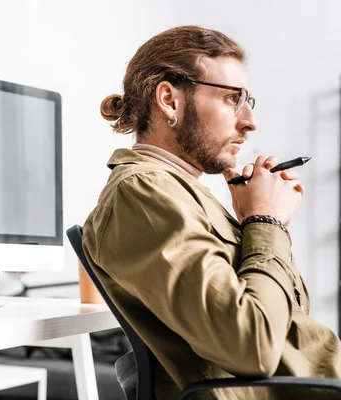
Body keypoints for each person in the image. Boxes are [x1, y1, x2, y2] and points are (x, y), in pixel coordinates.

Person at [82, 26, 341, 400]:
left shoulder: (187, 194)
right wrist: (264, 221)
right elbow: (252, 347)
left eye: (248, 101)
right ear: (169, 100)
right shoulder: (143, 191)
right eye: (232, 99)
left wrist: (257, 225)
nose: (249, 121)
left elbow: (289, 320)